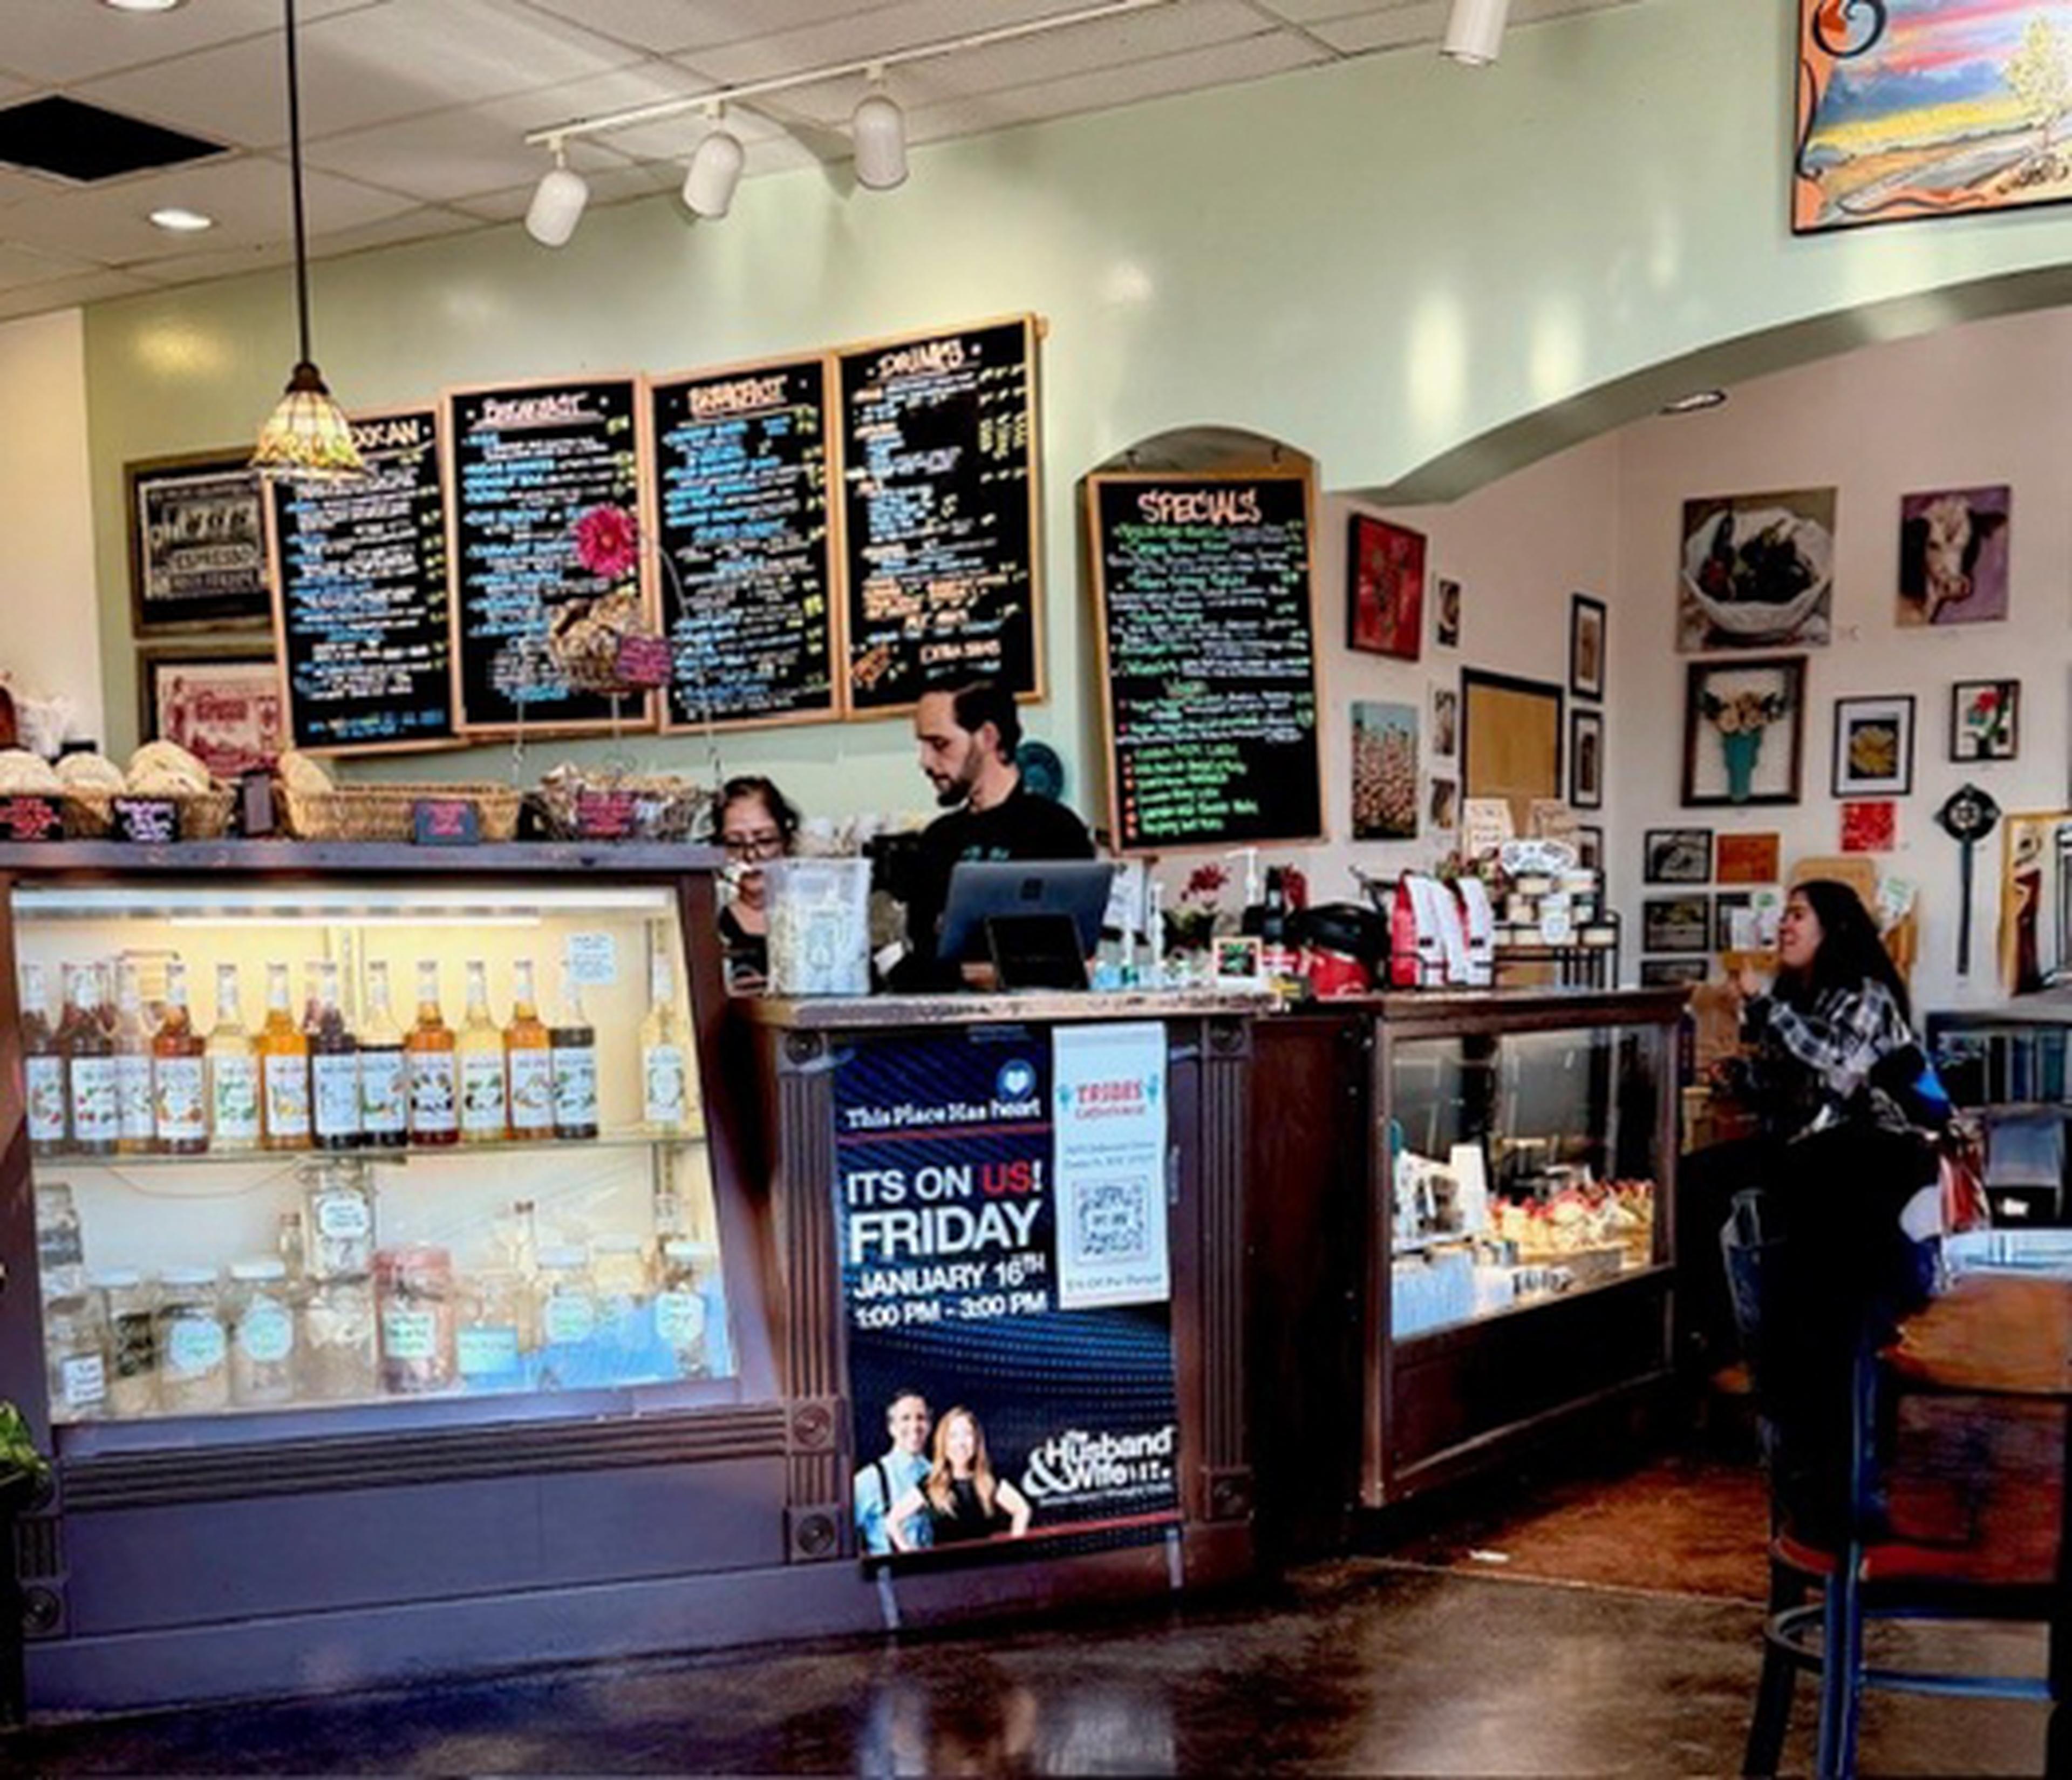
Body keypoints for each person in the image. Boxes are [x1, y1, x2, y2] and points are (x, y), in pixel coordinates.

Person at [1695, 879, 1948, 1540]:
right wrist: (1741, 1074)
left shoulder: (1864, 992)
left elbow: (1837, 1068)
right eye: (1784, 914)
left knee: (1830, 1324)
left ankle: (1840, 1483)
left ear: (1832, 927)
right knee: (1704, 1189)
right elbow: (1795, 1083)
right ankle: (1737, 1368)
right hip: (1819, 1168)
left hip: (1870, 1176)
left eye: (1798, 914)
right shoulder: (1804, 998)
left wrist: (1765, 1006)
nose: (1784, 925)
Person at [896, 680, 1095, 983]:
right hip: (946, 1026)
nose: (924, 761)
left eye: (939, 745)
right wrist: (980, 974)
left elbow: (1067, 964)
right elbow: (917, 964)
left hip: (1031, 1026)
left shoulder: (1056, 831)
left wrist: (966, 974)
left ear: (987, 737)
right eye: (922, 746)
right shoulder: (938, 840)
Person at [887, 1405, 1032, 1549]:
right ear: (944, 1443)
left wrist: (1014, 1549)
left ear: (976, 1441)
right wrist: (907, 1551)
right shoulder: (932, 1484)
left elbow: (1022, 1510)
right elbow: (893, 1520)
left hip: (987, 1568)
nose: (961, 1443)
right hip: (946, 1570)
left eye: (967, 1434)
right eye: (953, 1436)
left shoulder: (989, 1480)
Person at [714, 776, 799, 993]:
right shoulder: (709, 921)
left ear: (787, 841)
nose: (751, 855)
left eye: (765, 841)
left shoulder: (815, 914)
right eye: (735, 844)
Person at [852, 1387, 933, 1558]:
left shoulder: (937, 1473)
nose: (915, 1426)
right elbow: (842, 1537)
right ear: (892, 1428)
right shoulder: (870, 1479)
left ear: (930, 1426)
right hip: (889, 1579)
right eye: (905, 1419)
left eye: (921, 1418)